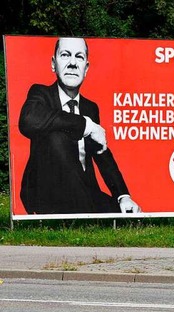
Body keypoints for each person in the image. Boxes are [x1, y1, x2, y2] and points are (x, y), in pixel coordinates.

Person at [18, 37, 141, 214]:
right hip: (46, 193)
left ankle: (93, 212)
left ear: (86, 69)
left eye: (79, 57)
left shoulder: (90, 108)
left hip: (85, 192)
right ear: (54, 64)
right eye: (65, 55)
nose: (73, 63)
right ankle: (89, 214)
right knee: (56, 136)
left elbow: (102, 154)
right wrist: (86, 125)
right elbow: (28, 120)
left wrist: (123, 195)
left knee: (129, 216)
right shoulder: (40, 94)